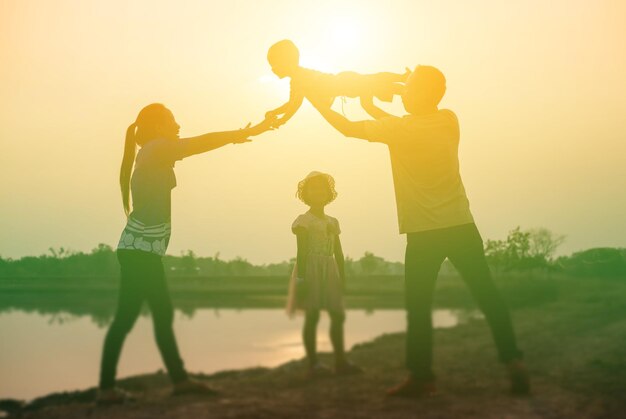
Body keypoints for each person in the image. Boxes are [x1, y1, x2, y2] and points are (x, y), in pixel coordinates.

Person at [308, 66, 530, 397]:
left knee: (419, 304)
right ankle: (515, 364)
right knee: (487, 295)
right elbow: (404, 112)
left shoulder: (400, 128)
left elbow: (346, 127)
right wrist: (383, 92)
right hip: (461, 225)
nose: (404, 93)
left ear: (422, 93)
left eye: (410, 88)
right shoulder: (448, 120)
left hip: (424, 233)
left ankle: (422, 378)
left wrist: (316, 98)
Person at [98, 103, 274, 404]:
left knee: (156, 314)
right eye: (172, 120)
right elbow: (200, 143)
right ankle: (111, 390)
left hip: (143, 251)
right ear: (156, 127)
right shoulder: (155, 150)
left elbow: (195, 143)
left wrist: (240, 134)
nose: (178, 125)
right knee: (130, 318)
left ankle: (173, 381)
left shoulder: (155, 152)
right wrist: (242, 133)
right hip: (139, 250)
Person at [287, 171, 362, 378]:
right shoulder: (303, 221)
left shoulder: (333, 221)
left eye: (322, 188)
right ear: (306, 194)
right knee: (312, 316)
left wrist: (343, 278)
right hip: (310, 269)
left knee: (338, 314)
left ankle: (341, 361)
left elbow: (338, 252)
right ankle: (314, 365)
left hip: (329, 270)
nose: (318, 192)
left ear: (328, 193)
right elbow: (301, 252)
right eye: (313, 188)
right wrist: (301, 278)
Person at [265, 39, 409, 127]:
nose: (272, 69)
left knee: (374, 81)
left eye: (274, 64)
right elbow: (291, 103)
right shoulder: (296, 80)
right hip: (346, 86)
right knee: (374, 86)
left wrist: (282, 119)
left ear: (286, 62)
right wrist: (275, 112)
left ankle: (403, 79)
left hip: (344, 82)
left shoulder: (299, 79)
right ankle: (403, 86)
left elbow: (294, 105)